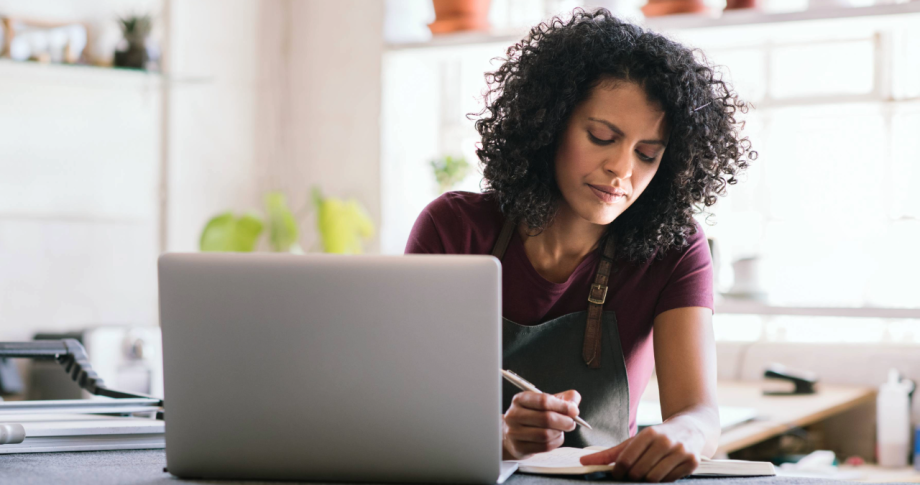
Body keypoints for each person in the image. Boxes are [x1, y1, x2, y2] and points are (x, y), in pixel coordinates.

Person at [405, 9, 756, 483]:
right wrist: (500, 437)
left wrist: (685, 435)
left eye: (647, 154)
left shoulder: (674, 248)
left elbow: (699, 413)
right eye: (602, 137)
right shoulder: (455, 229)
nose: (622, 169)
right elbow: (411, 407)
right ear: (548, 124)